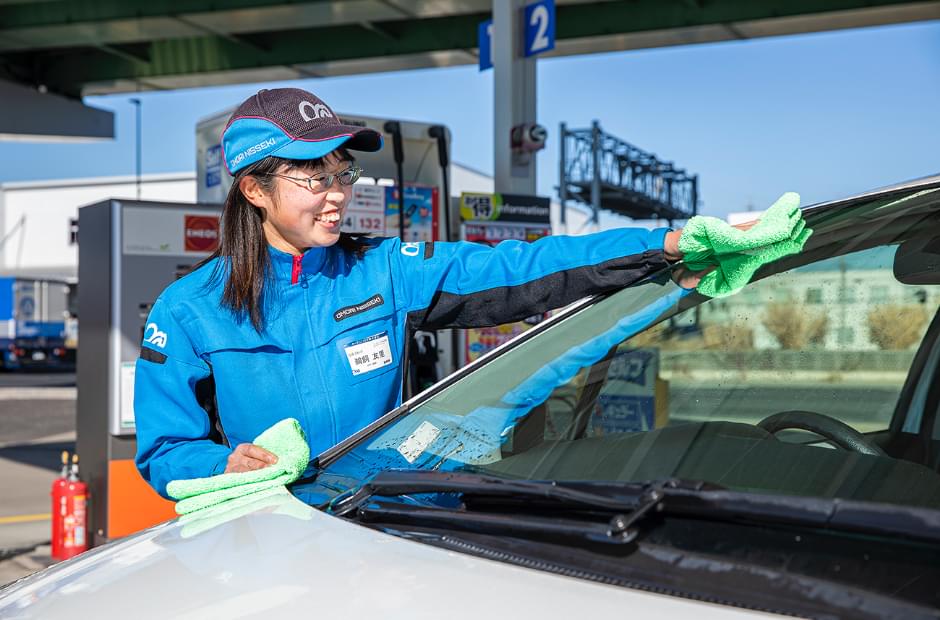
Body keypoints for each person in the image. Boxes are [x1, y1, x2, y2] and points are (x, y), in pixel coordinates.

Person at [133, 87, 699, 498]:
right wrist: (223, 465)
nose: (336, 196)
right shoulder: (188, 309)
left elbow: (523, 266)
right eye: (314, 178)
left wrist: (668, 242)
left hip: (395, 520)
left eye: (342, 174)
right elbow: (164, 451)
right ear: (254, 188)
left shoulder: (385, 270)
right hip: (276, 539)